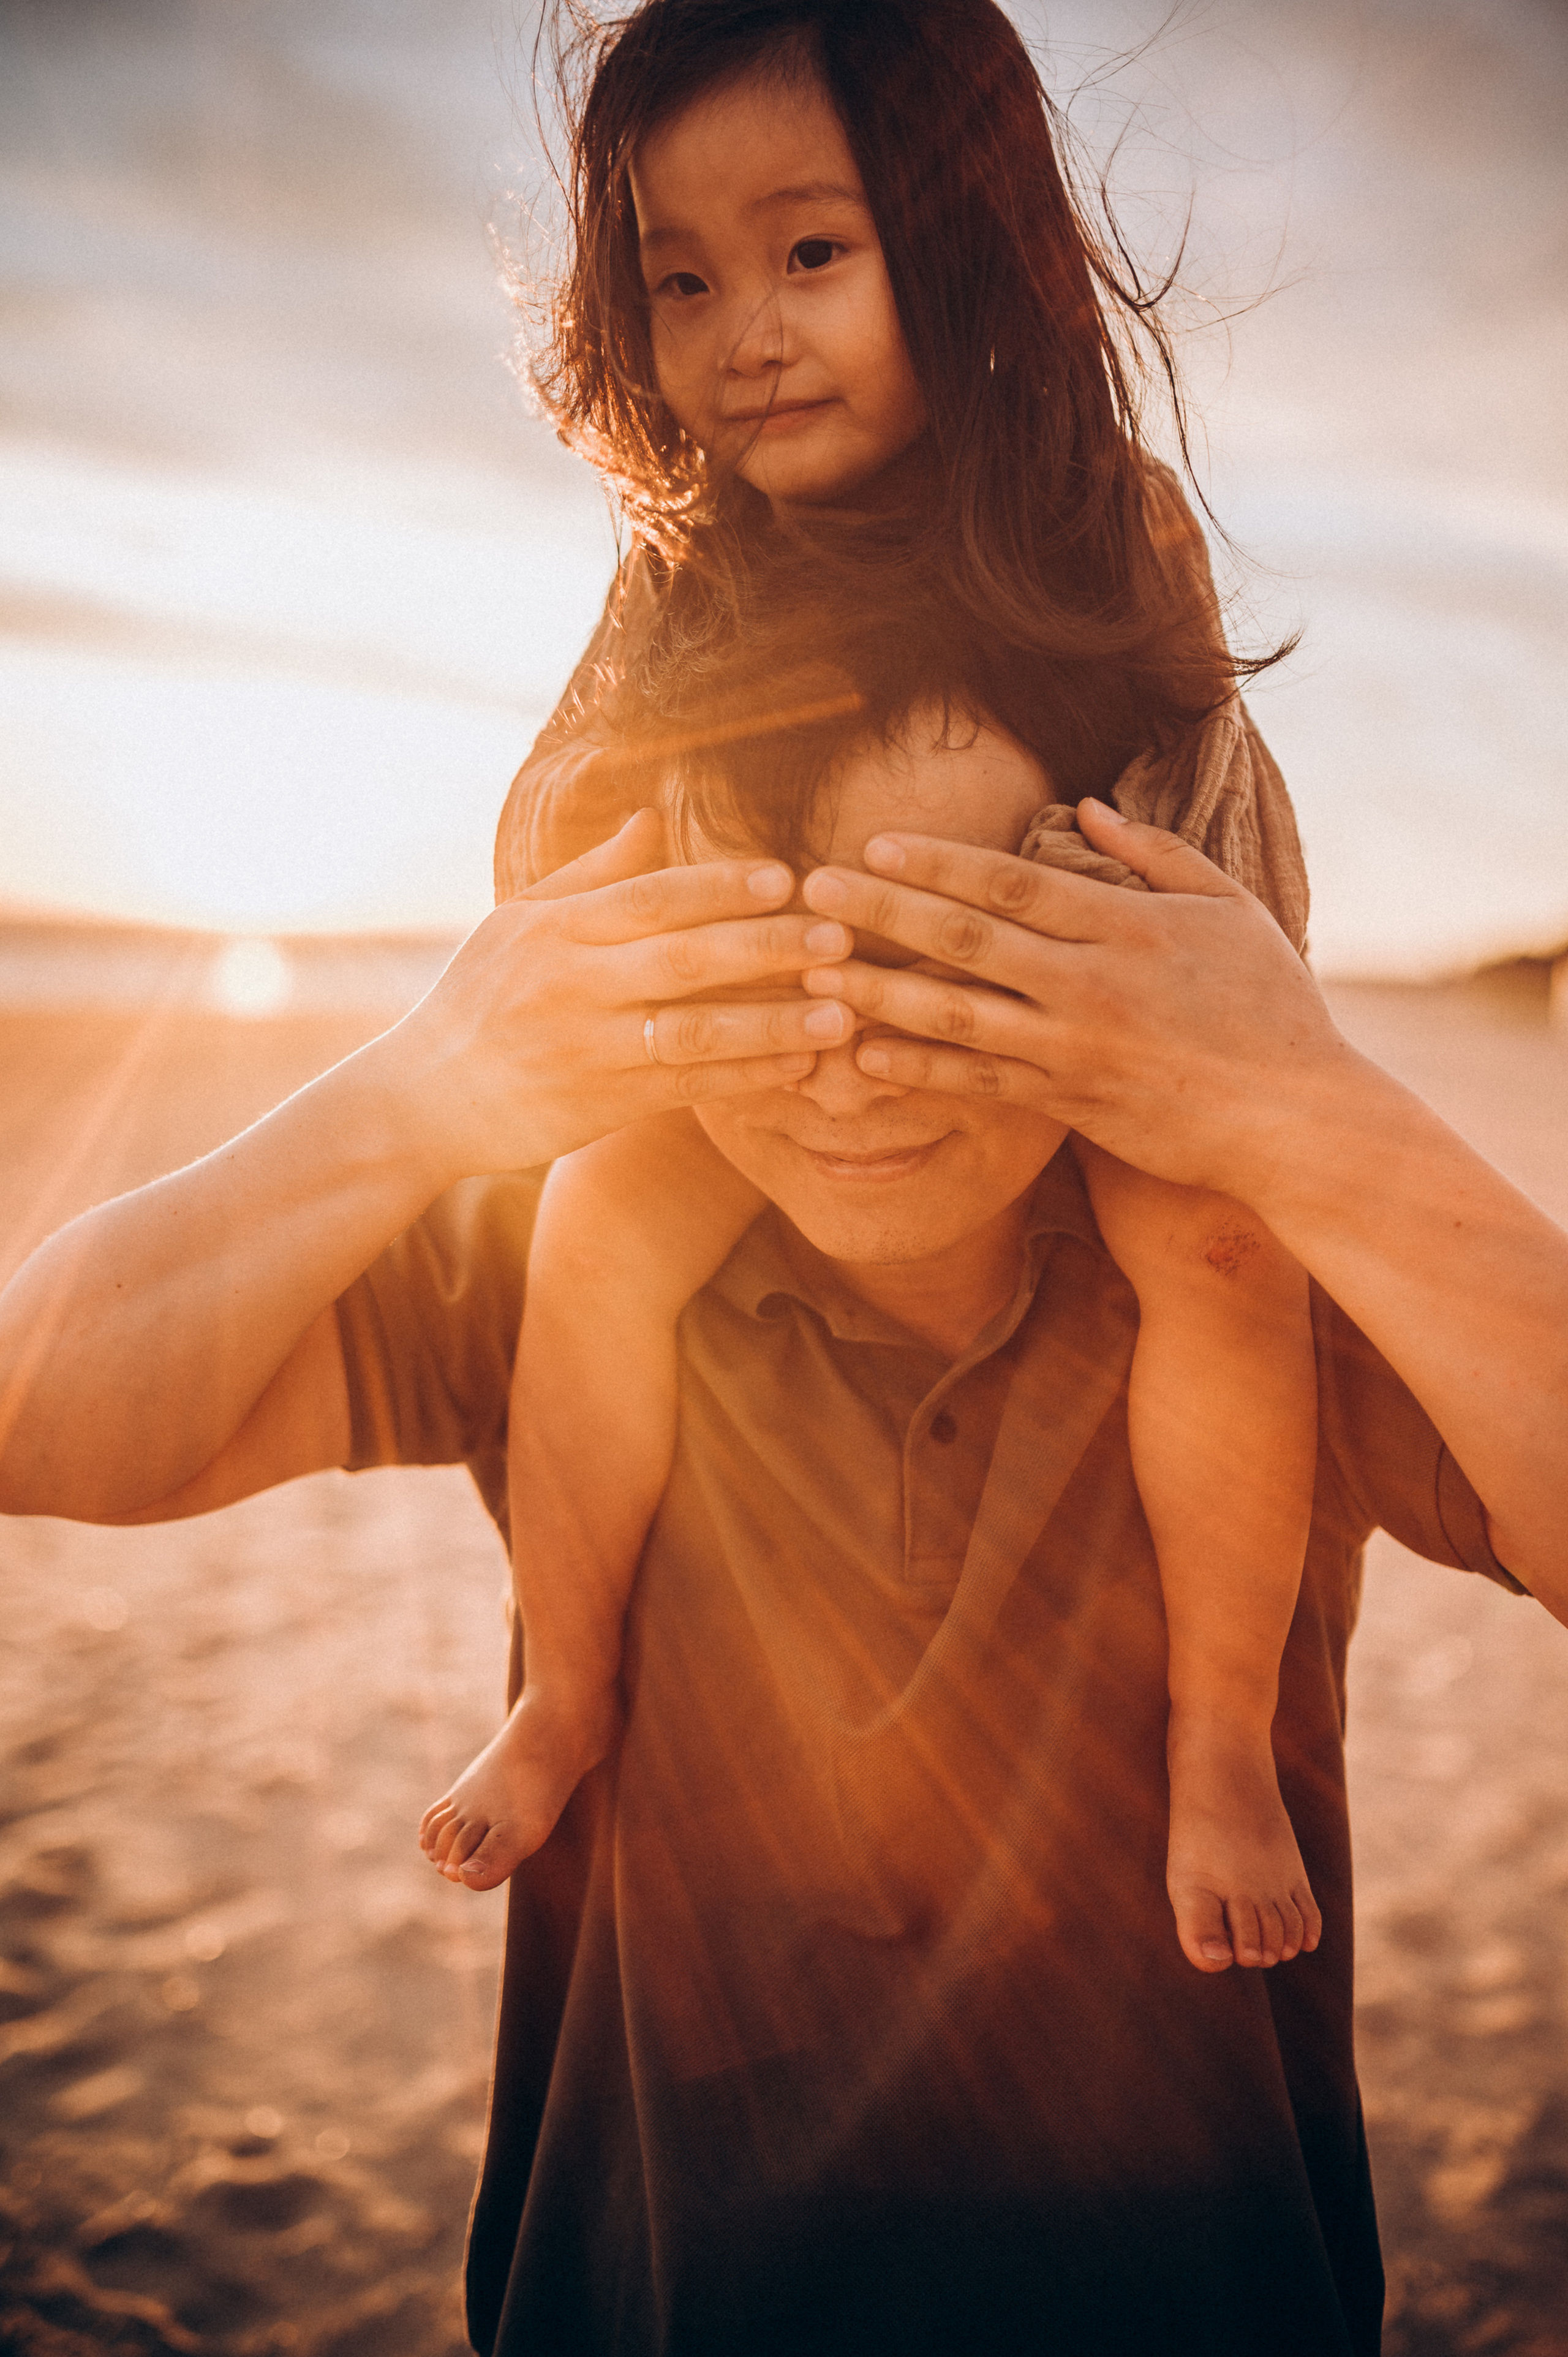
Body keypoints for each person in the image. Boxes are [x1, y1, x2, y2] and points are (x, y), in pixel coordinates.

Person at [413, 0, 1322, 1981]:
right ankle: (562, 1688)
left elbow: (1215, 812)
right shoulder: (682, 561)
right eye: (684, 279)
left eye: (813, 254)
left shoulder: (1104, 509)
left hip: (1059, 1050)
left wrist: (1145, 999)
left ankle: (1220, 1748)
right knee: (592, 1226)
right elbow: (554, 830)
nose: (747, 329)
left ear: (962, 239)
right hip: (765, 1064)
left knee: (1227, 1255)